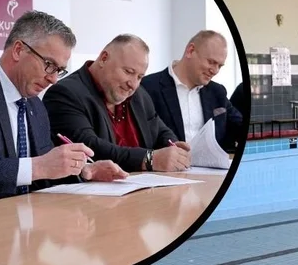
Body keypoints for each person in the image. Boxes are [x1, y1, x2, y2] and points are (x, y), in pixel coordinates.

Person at [0, 10, 127, 204]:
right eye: (49, 64)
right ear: (18, 50)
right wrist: (36, 167)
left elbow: (45, 173)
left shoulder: (36, 105)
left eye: (59, 70)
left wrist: (83, 171)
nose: (53, 79)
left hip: (33, 218)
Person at [42, 34, 190, 173]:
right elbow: (90, 148)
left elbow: (160, 130)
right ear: (104, 58)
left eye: (139, 77)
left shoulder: (140, 95)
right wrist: (149, 159)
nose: (133, 84)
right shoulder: (65, 93)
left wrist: (173, 147)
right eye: (128, 72)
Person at [141, 30, 245, 154]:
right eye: (211, 62)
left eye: (219, 66)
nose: (215, 71)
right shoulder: (147, 88)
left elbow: (241, 126)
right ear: (190, 51)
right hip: (165, 165)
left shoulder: (217, 92)